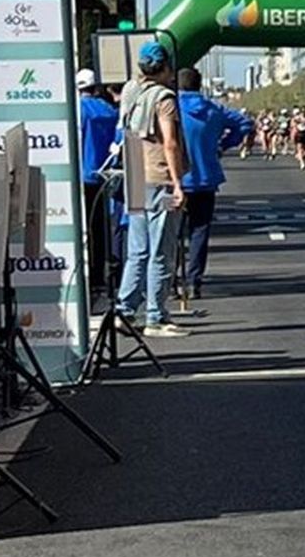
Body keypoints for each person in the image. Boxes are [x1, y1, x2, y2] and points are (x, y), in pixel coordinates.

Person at [116, 41, 191, 337]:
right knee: (161, 250)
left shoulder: (129, 91)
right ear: (165, 68)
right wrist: (178, 183)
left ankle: (125, 308)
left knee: (137, 250)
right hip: (158, 177)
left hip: (134, 174)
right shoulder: (165, 98)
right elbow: (170, 142)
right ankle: (156, 317)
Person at [177, 67, 251, 299]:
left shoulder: (172, 108)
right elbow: (245, 123)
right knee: (199, 231)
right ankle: (194, 280)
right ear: (199, 85)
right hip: (205, 178)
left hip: (174, 179)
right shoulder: (213, 109)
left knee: (172, 234)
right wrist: (224, 145)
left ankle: (172, 280)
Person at [77, 68, 120, 301]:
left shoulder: (77, 111)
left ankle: (86, 276)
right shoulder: (109, 111)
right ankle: (98, 277)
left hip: (80, 176)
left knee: (82, 231)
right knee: (100, 229)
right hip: (103, 175)